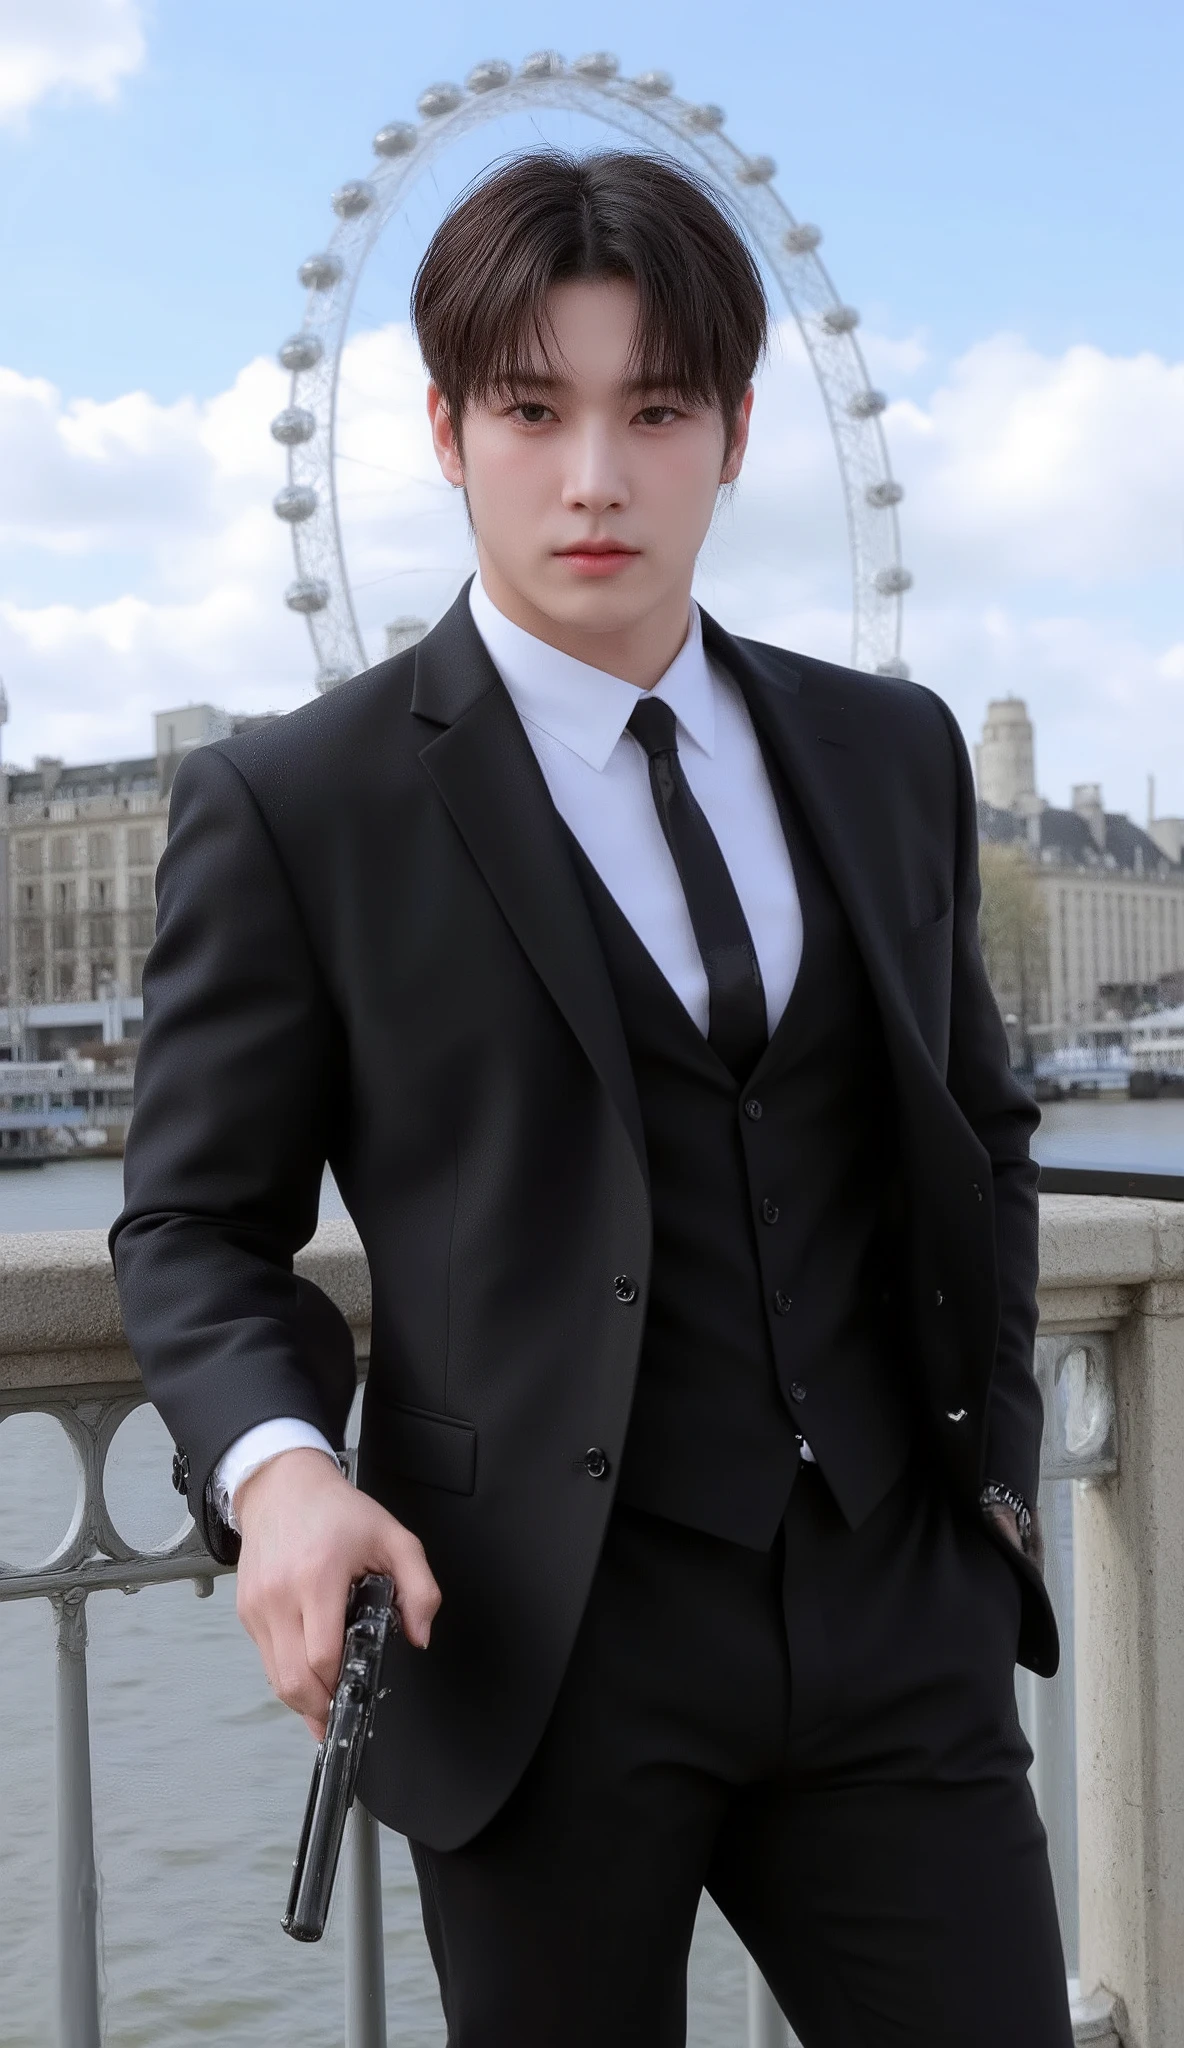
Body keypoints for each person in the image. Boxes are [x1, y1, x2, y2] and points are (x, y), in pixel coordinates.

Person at [111, 150, 1073, 2046]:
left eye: (656, 411)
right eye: (535, 411)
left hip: (897, 1621)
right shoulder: (302, 807)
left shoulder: (891, 752)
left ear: (732, 432)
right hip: (539, 1646)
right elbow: (190, 1226)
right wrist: (282, 1472)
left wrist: (994, 1494)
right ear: (448, 431)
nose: (597, 479)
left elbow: (983, 1136)